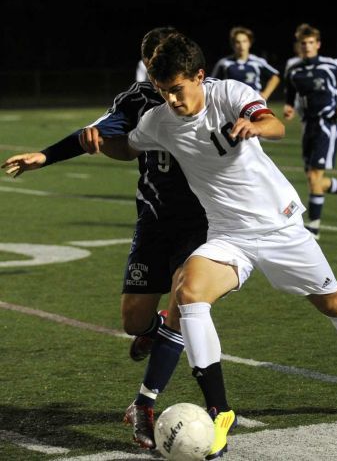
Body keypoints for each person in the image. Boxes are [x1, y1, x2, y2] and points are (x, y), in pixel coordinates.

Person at [91, 32, 337, 460]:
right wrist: (94, 141)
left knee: (333, 304)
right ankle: (220, 410)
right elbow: (126, 147)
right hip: (229, 236)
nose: (170, 99)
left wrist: (253, 125)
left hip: (281, 229)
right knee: (187, 292)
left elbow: (274, 123)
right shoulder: (159, 119)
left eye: (178, 89)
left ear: (200, 77)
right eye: (163, 91)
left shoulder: (229, 93)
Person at [1, 27, 208, 450]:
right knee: (134, 319)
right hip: (152, 219)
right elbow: (93, 132)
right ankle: (153, 331)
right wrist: (46, 155)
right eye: (152, 70)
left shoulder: (206, 92)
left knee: (185, 305)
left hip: (203, 222)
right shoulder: (135, 100)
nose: (157, 79)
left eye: (162, 68)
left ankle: (145, 405)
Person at [284, 23, 337, 240]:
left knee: (314, 177)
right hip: (307, 126)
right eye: (303, 43)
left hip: (326, 125)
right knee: (314, 180)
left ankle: (314, 229)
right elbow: (291, 93)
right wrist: (289, 107)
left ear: (318, 44)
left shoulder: (330, 65)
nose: (307, 47)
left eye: (311, 43)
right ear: (298, 46)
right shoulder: (294, 70)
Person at [211, 26, 280, 100]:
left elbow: (275, 77)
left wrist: (265, 94)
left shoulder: (257, 62)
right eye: (238, 42)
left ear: (249, 43)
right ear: (233, 44)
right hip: (231, 104)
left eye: (244, 41)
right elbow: (212, 83)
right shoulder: (224, 63)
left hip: (253, 102)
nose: (241, 45)